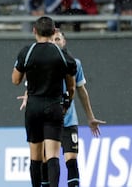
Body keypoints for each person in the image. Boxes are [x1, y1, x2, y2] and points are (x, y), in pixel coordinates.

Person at [18, 28, 107, 187]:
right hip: (48, 119)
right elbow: (33, 85)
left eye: (58, 39)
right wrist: (27, 96)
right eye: (53, 39)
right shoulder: (42, 62)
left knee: (71, 159)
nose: (55, 42)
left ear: (64, 42)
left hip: (67, 119)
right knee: (47, 160)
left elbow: (81, 91)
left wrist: (90, 117)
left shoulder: (74, 63)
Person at [12, 16, 77, 187]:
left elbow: (15, 80)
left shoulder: (27, 52)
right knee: (53, 155)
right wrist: (67, 103)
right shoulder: (63, 56)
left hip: (33, 106)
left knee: (35, 156)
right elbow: (71, 87)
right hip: (54, 106)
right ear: (54, 31)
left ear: (34, 31)